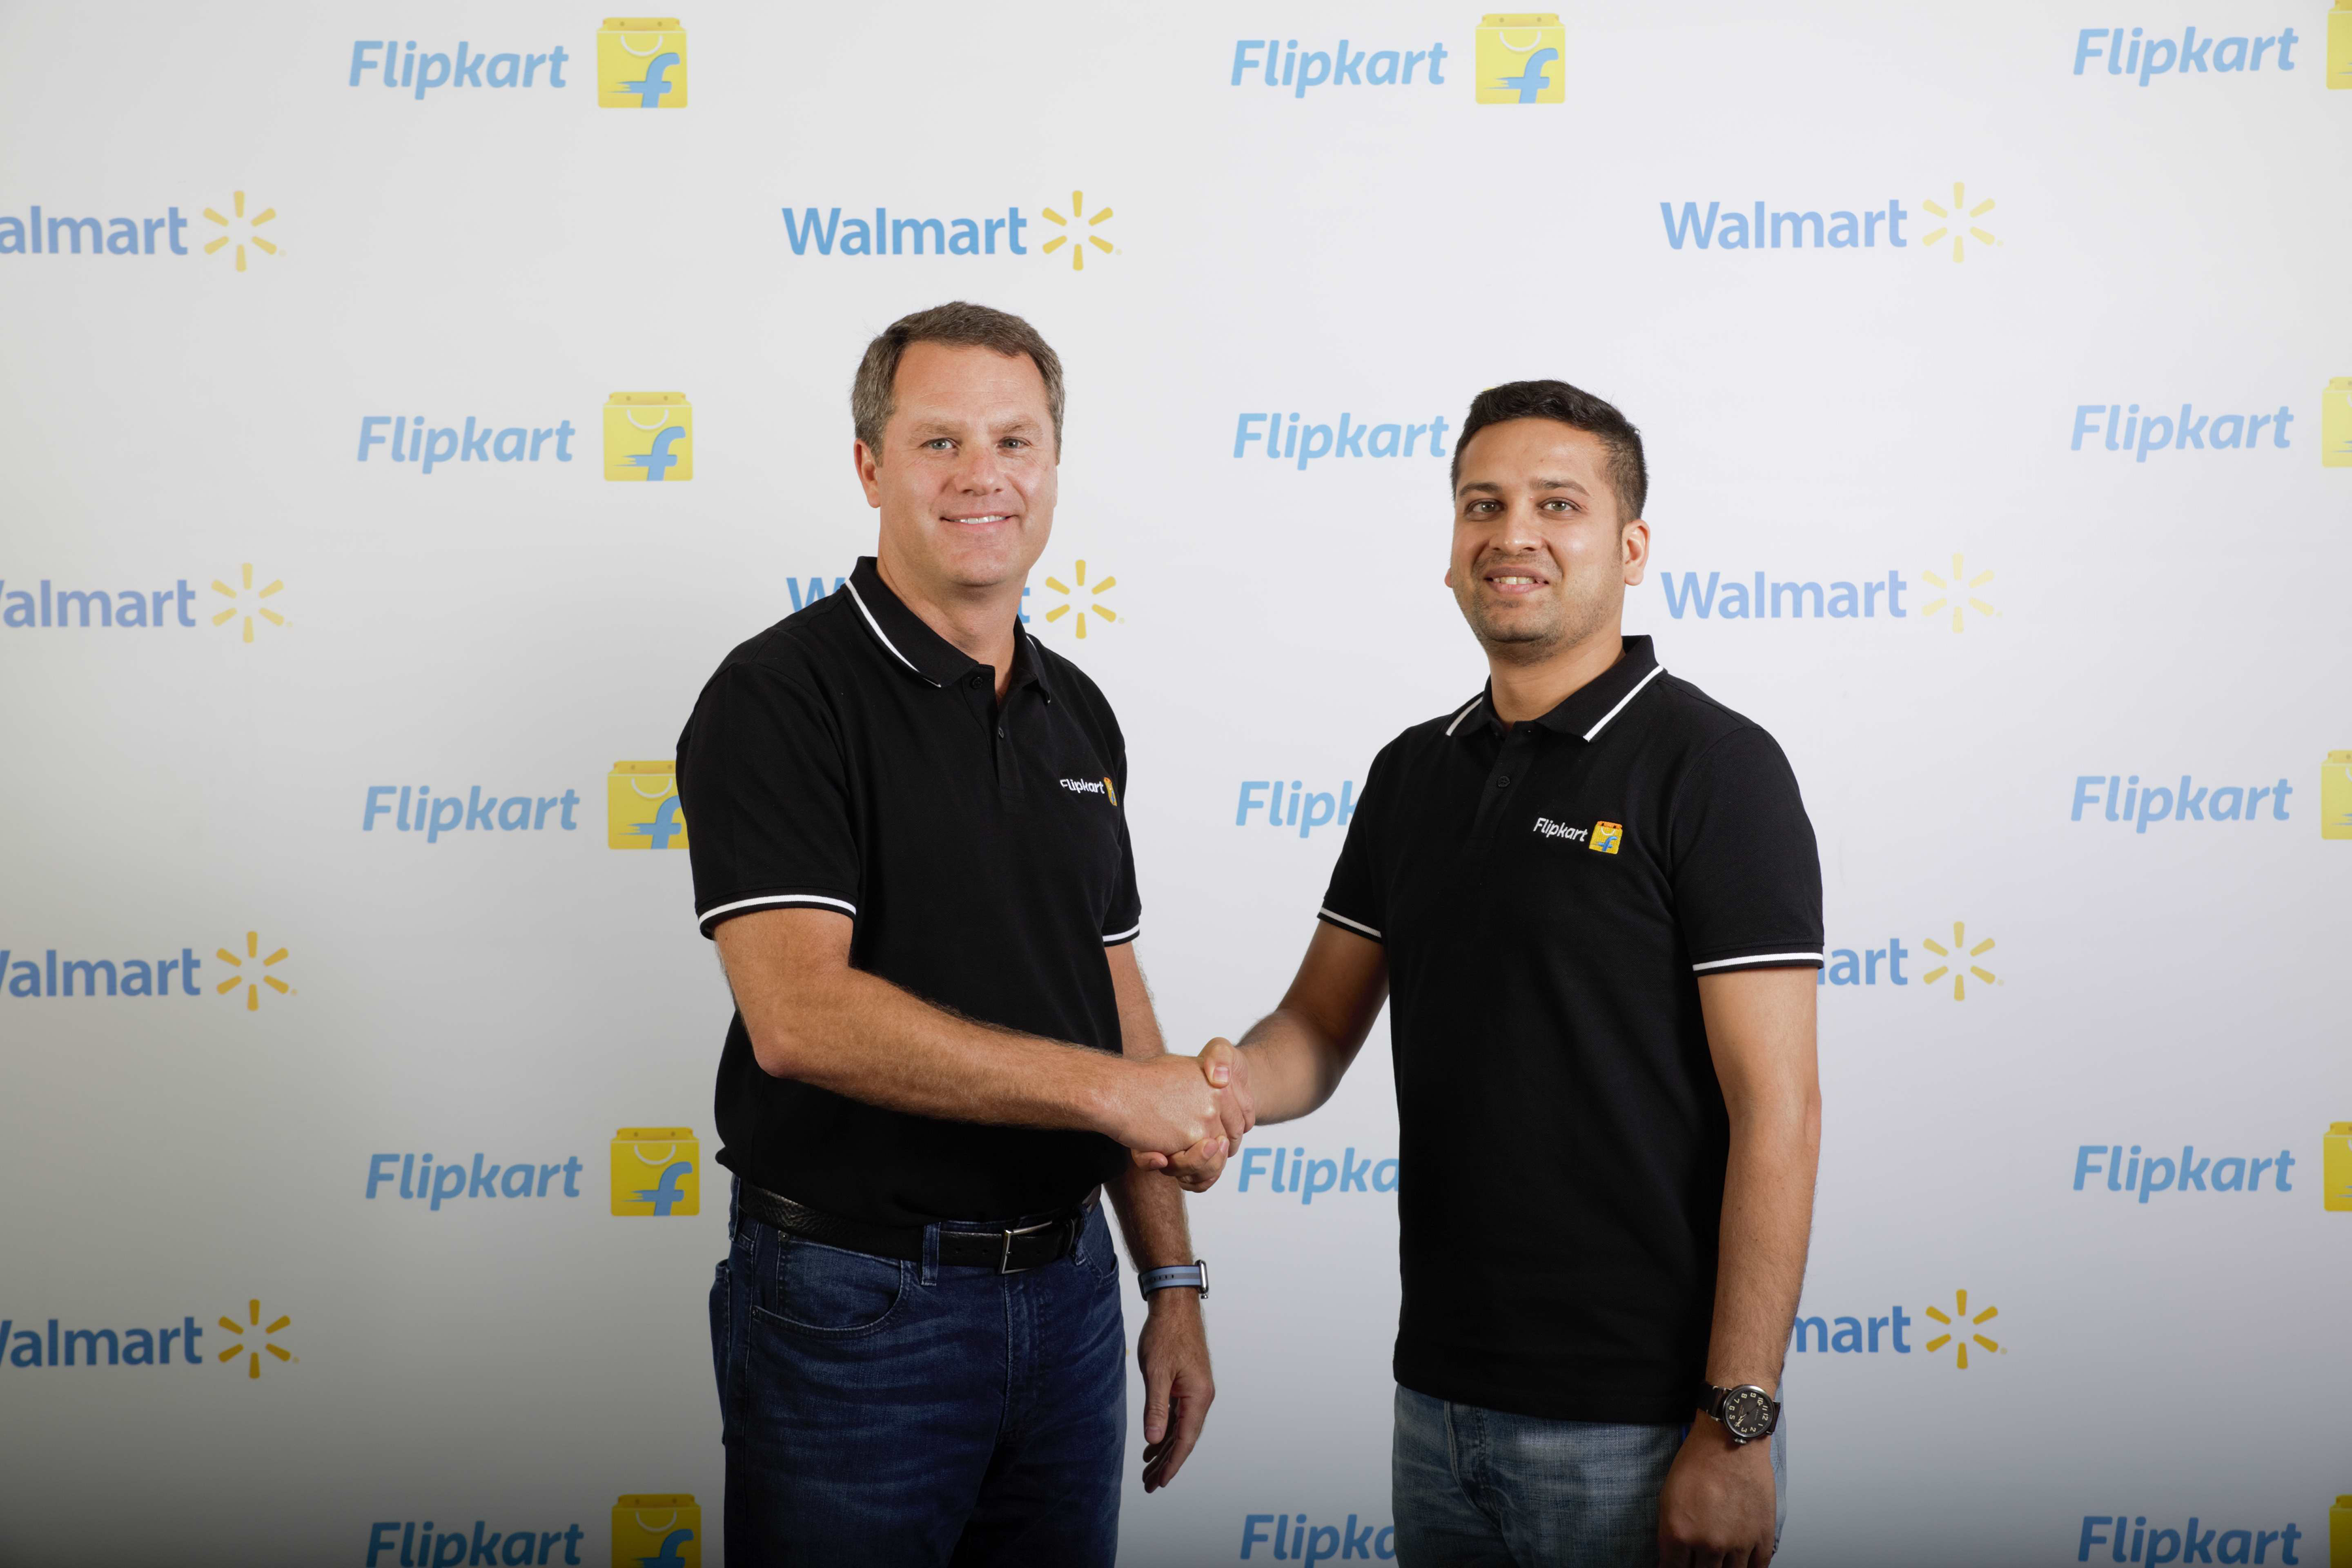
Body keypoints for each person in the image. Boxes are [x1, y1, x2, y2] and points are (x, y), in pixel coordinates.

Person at [1180, 380, 1823, 1567]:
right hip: (1438, 1404)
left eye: (1557, 504)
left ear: (1630, 548)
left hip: (1640, 1423)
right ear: (1451, 550)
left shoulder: (1716, 769)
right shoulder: (1413, 773)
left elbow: (1777, 1110)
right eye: (1484, 504)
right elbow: (1317, 1031)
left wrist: (1736, 1427)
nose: (1512, 533)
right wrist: (1213, 1088)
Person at [676, 301, 1243, 1565]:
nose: (984, 474)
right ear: (872, 468)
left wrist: (1172, 1282)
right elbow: (800, 1017)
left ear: (1052, 467)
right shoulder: (780, 697)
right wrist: (1122, 1095)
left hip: (1070, 1299)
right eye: (940, 442)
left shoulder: (1076, 710)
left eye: (1016, 440)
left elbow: (1110, 994)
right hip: (860, 1307)